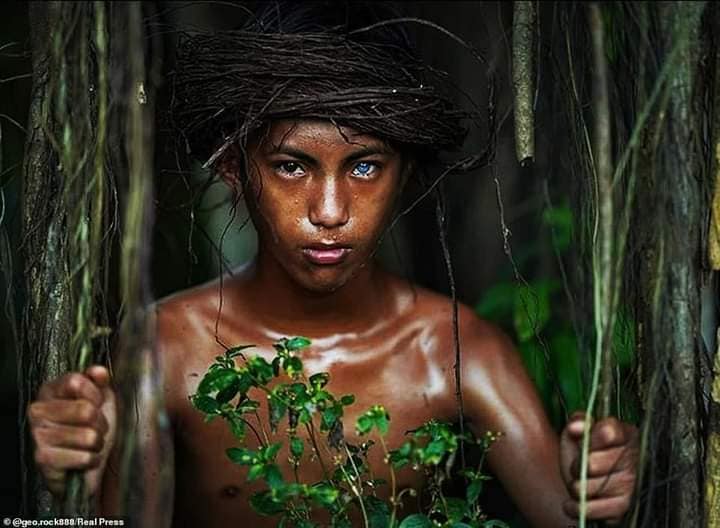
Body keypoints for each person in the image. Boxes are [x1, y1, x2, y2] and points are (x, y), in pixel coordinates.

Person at [27, 3, 638, 527]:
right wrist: (72, 483)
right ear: (236, 170)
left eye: (365, 167)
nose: (330, 211)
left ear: (404, 173)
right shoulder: (168, 347)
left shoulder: (453, 348)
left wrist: (606, 491)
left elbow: (573, 516)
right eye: (292, 166)